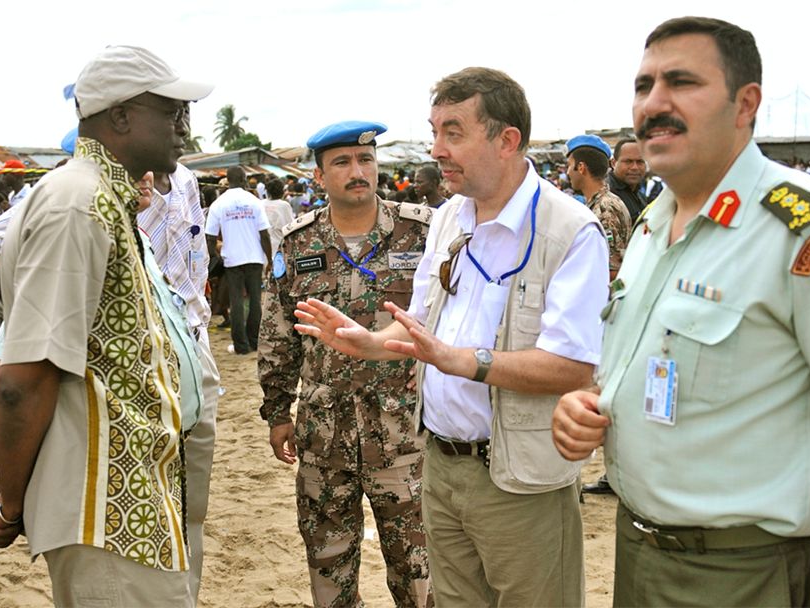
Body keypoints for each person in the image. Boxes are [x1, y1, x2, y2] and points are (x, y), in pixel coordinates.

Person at [552, 16, 810, 608]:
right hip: (641, 557)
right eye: (643, 86)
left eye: (682, 82)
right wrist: (591, 404)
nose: (654, 104)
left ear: (745, 103)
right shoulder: (655, 226)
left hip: (749, 572)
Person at [294, 67, 608, 608]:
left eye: (453, 132)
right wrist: (370, 342)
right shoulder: (447, 220)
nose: (436, 149)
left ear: (507, 140)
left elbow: (574, 367)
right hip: (438, 466)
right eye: (435, 131)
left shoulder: (569, 231)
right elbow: (420, 323)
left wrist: (463, 361)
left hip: (518, 480)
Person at [0, 45, 213, 606]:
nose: (184, 128)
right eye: (171, 112)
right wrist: (11, 503)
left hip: (134, 495)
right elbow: (24, 378)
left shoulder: (103, 197)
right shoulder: (79, 203)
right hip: (108, 506)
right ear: (120, 116)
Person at [259, 120, 434, 608]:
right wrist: (276, 411)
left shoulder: (422, 233)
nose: (357, 171)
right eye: (342, 163)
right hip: (324, 437)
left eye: (365, 160)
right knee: (329, 571)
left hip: (405, 435)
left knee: (420, 576)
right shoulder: (297, 245)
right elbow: (277, 334)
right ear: (319, 176)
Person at [137, 149, 221, 605]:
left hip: (193, 345)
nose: (180, 124)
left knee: (193, 501)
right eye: (169, 110)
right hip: (139, 360)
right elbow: (5, 236)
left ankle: (185, 596)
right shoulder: (87, 194)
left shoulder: (185, 180)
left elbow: (196, 256)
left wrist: (198, 323)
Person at [204, 165, 271, 355]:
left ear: (228, 179)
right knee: (255, 301)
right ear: (243, 178)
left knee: (236, 302)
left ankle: (241, 346)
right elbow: (264, 235)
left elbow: (210, 238)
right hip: (255, 258)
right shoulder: (255, 201)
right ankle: (254, 342)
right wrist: (270, 259)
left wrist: (213, 259)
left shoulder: (219, 203)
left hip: (232, 260)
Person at [565, 134, 632, 281]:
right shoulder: (600, 203)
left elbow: (612, 271)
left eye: (569, 166)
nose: (568, 172)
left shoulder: (605, 208)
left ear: (581, 168)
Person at [606, 138, 649, 223]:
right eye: (628, 161)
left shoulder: (639, 193)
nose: (634, 167)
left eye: (640, 162)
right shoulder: (608, 194)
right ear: (613, 163)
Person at [262, 178, 295, 254]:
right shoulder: (284, 205)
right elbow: (291, 226)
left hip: (263, 246)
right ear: (282, 192)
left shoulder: (261, 203)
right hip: (278, 245)